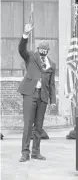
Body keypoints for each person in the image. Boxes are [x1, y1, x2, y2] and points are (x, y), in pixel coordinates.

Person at [18, 23, 56, 162]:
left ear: (48, 50)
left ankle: (36, 152)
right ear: (38, 48)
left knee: (39, 126)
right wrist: (25, 35)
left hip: (43, 96)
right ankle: (25, 152)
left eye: (46, 49)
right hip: (30, 93)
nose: (43, 50)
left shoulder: (52, 65)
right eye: (41, 48)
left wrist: (53, 101)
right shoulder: (30, 57)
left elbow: (51, 84)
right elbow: (21, 49)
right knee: (28, 124)